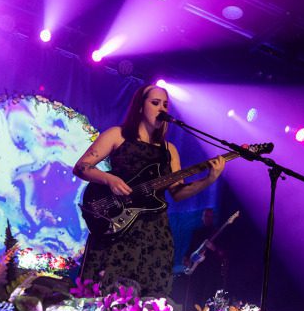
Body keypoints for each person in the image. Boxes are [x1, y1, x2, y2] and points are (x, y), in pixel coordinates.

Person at [74, 84, 225, 298]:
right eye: (155, 103)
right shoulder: (118, 135)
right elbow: (82, 166)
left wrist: (209, 179)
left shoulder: (169, 150)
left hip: (154, 234)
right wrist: (109, 179)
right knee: (105, 293)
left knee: (148, 299)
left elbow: (178, 193)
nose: (161, 108)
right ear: (139, 107)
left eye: (165, 105)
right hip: (117, 224)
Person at [183, 208, 228, 308]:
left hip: (211, 269)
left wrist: (214, 248)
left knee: (208, 294)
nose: (207, 218)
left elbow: (223, 254)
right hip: (197, 268)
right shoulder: (197, 232)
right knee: (195, 293)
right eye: (205, 216)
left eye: (209, 216)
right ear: (202, 217)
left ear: (213, 218)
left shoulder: (218, 233)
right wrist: (186, 258)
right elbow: (191, 247)